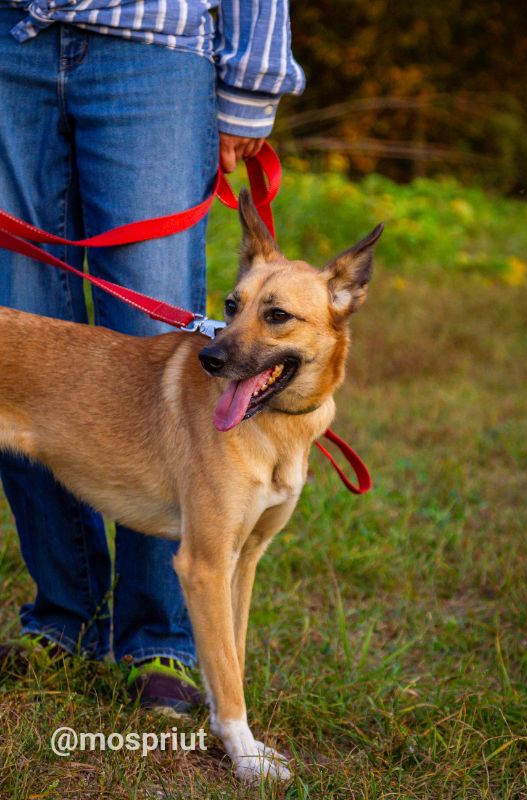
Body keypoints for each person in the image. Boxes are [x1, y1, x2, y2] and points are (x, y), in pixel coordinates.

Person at [0, 0, 304, 715]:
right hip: (12, 41)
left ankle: (158, 639)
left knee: (163, 344)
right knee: (27, 349)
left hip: (155, 48)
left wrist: (250, 91)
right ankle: (64, 614)